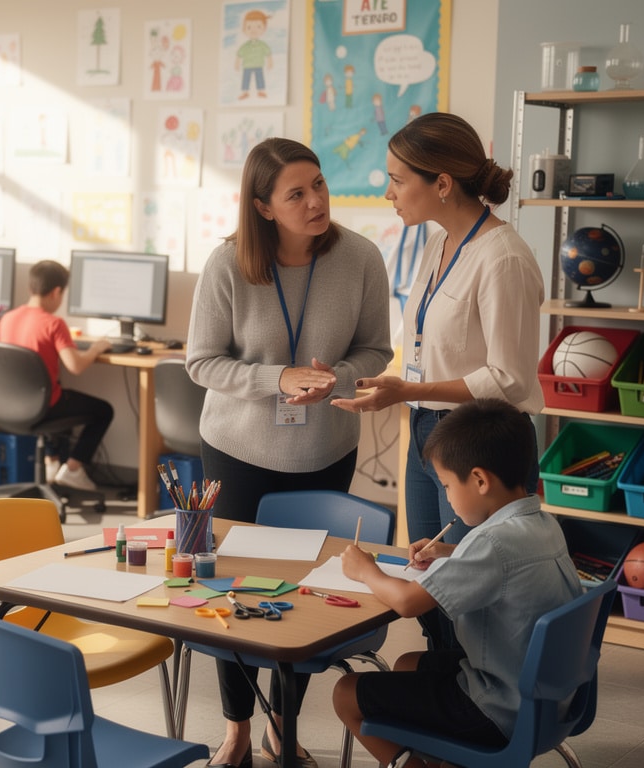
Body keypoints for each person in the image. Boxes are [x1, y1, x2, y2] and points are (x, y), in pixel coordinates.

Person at [186, 136, 392, 768]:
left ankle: (285, 725)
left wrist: (338, 377)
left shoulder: (360, 257)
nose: (315, 201)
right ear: (263, 206)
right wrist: (276, 378)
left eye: (320, 185)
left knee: (301, 598)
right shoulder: (228, 264)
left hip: (324, 448)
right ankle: (237, 729)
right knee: (234, 594)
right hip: (238, 449)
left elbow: (376, 350)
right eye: (296, 193)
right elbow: (200, 361)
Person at [331, 112, 544, 649]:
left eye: (398, 180)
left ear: (442, 183)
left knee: (472, 602)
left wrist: (408, 390)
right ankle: (439, 692)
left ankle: (470, 707)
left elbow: (509, 378)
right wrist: (384, 384)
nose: (388, 193)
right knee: (426, 571)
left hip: (483, 444)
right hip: (428, 432)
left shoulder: (503, 258)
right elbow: (431, 349)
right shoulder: (438, 245)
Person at [331, 399, 580, 768]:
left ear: (479, 480)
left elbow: (407, 603)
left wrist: (365, 570)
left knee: (345, 693)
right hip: (548, 700)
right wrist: (450, 552)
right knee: (408, 663)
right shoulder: (541, 524)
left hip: (497, 709)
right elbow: (502, 561)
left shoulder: (492, 543)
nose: (445, 494)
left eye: (447, 484)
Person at [0, 260, 113, 491]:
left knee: (59, 391)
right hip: (42, 406)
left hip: (8, 405)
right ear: (57, 292)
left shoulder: (7, 318)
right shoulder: (54, 323)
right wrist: (96, 348)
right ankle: (72, 469)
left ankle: (51, 462)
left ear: (31, 287)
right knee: (103, 410)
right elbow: (76, 366)